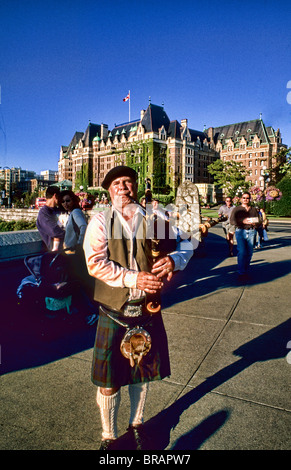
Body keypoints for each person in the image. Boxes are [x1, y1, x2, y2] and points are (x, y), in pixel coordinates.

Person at [83, 166, 193, 450]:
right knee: (109, 381)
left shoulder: (155, 218)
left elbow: (187, 242)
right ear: (108, 189)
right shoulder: (100, 221)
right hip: (114, 309)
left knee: (140, 373)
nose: (124, 187)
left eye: (128, 182)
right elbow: (95, 263)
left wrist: (175, 260)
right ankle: (109, 436)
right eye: (117, 183)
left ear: (135, 186)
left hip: (147, 309)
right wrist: (134, 277)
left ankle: (137, 425)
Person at [230, 192, 261, 280]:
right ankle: (241, 273)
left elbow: (259, 220)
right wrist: (242, 221)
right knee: (242, 252)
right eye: (244, 198)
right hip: (240, 231)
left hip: (251, 232)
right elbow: (232, 221)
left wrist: (256, 223)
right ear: (241, 199)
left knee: (249, 253)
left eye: (247, 198)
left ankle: (245, 270)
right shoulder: (237, 209)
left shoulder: (253, 209)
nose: (245, 199)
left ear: (249, 199)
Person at [36, 186, 65, 251]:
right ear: (55, 196)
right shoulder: (44, 212)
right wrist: (69, 234)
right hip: (54, 252)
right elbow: (54, 231)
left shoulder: (58, 210)